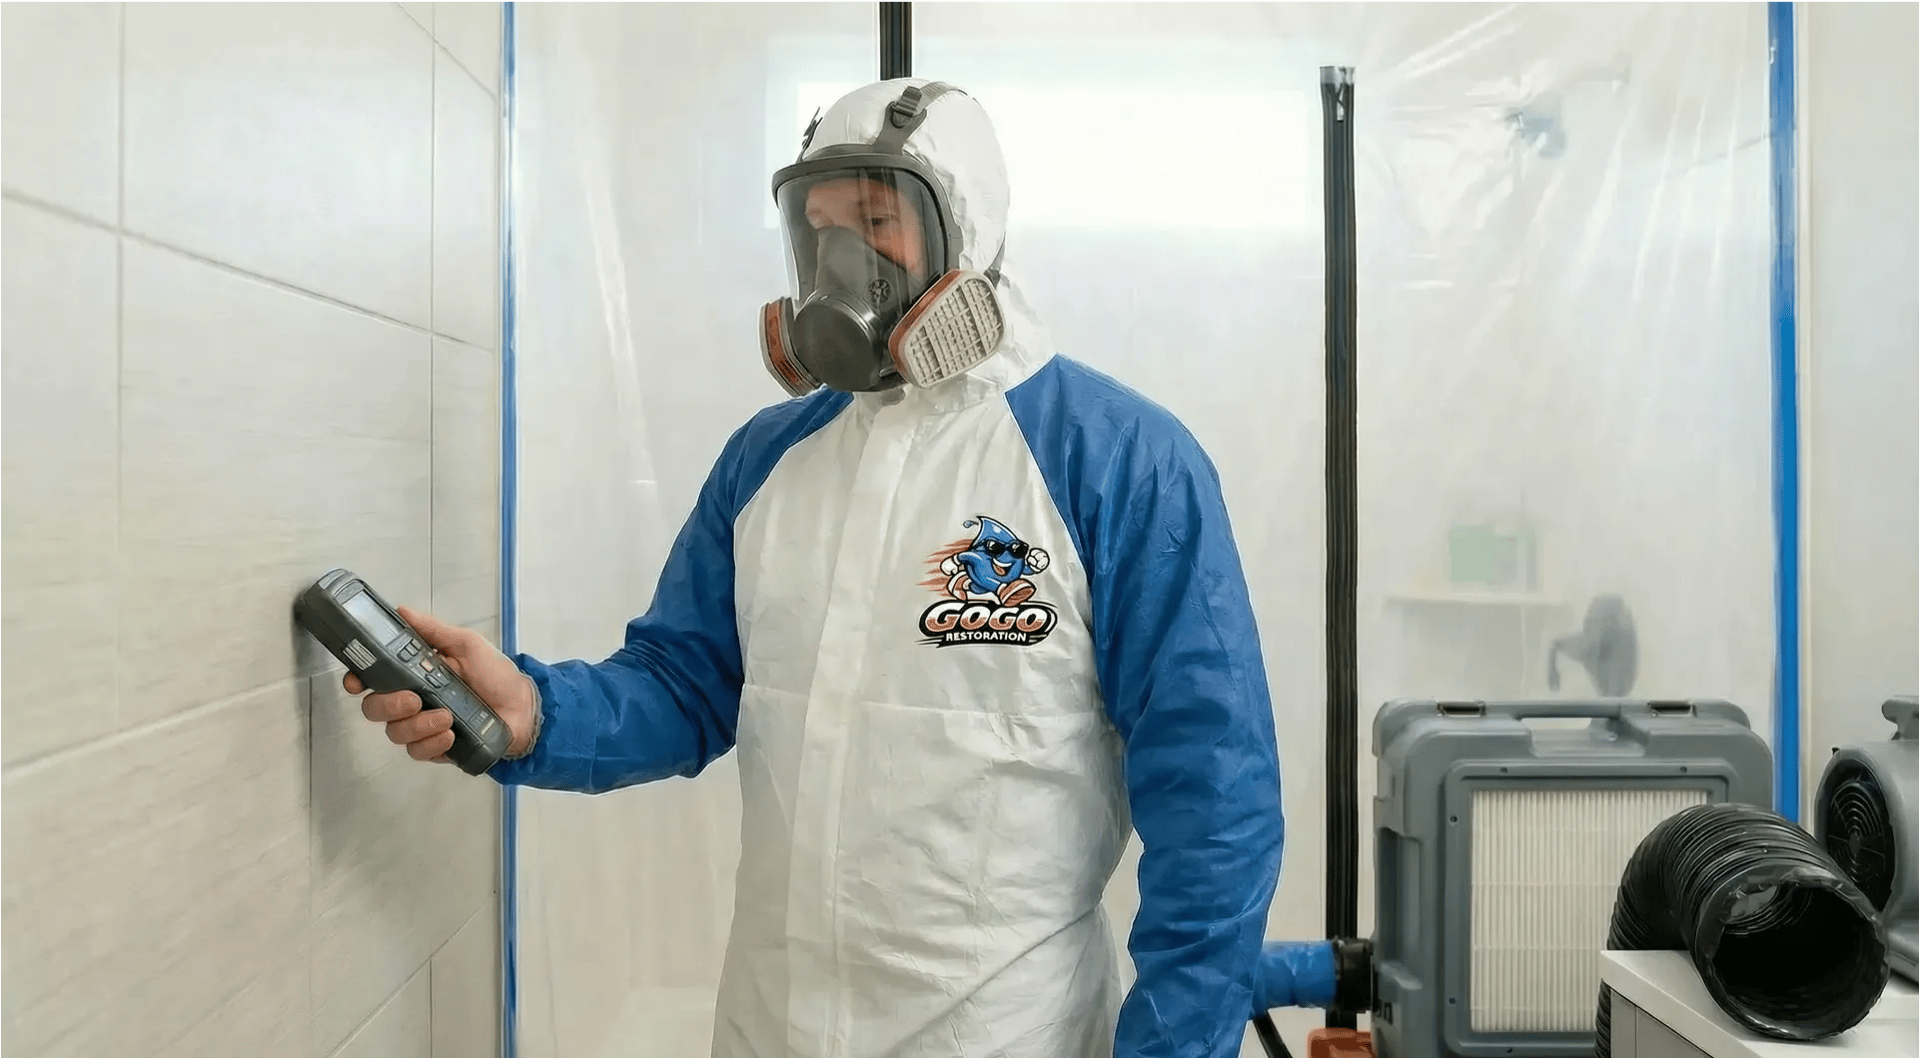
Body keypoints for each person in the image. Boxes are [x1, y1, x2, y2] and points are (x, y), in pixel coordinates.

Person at [351, 78, 1285, 1058]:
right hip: (773, 1025)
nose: (842, 259)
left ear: (965, 229)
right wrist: (534, 712)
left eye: (877, 221)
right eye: (819, 225)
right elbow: (684, 685)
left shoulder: (1118, 460)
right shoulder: (768, 461)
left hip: (1009, 1035)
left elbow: (1214, 801)